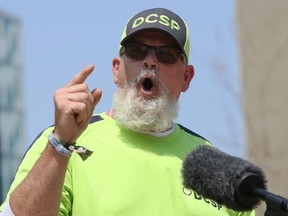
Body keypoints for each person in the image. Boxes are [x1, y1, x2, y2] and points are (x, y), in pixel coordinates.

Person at [0, 8, 254, 216]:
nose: (149, 61)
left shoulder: (216, 167)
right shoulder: (63, 144)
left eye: (165, 54)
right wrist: (61, 143)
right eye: (136, 51)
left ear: (186, 78)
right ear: (115, 69)